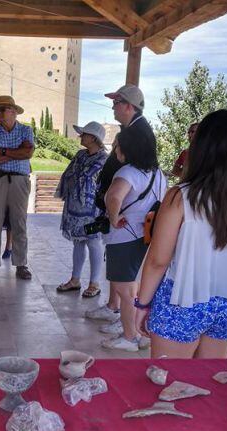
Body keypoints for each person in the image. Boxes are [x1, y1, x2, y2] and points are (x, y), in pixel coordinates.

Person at [134, 110, 227, 359]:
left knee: (169, 382)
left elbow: (158, 260)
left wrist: (142, 303)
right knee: (209, 383)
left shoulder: (181, 197)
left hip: (181, 300)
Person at [86, 83, 152, 323]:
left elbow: (134, 172)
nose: (112, 107)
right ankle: (114, 307)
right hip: (122, 208)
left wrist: (113, 211)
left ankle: (127, 325)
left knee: (125, 275)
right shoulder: (133, 129)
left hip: (127, 212)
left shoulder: (137, 133)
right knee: (117, 265)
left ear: (129, 106)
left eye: (116, 103)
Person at [100, 123, 166, 352]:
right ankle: (134, 330)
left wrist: (113, 218)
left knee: (124, 289)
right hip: (144, 234)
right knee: (131, 286)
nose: (116, 149)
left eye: (118, 145)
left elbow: (113, 197)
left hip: (123, 237)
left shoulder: (127, 172)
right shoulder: (157, 173)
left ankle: (131, 336)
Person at [0, 95, 35, 281]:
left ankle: (21, 264)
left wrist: (3, 152)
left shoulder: (25, 131)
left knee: (19, 222)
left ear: (13, 112)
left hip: (20, 181)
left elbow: (28, 153)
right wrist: (16, 153)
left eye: (2, 110)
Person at [56, 122, 108, 298]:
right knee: (78, 241)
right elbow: (69, 175)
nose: (80, 136)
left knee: (94, 242)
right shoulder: (80, 155)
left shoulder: (103, 159)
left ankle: (94, 283)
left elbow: (100, 183)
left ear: (94, 138)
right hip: (75, 207)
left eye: (84, 134)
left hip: (93, 209)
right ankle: (75, 279)